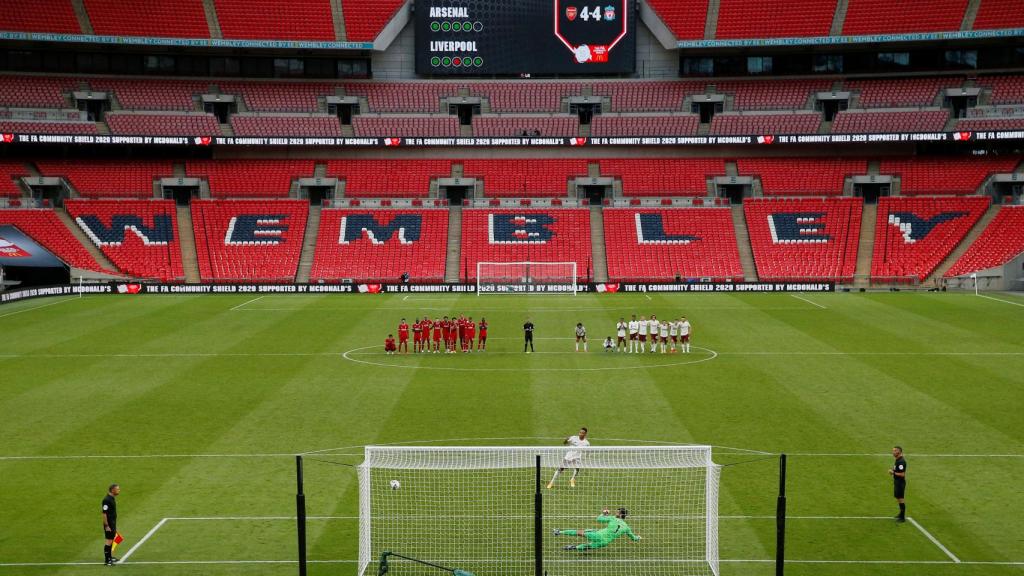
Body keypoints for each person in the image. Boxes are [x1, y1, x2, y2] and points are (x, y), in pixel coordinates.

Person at [555, 507, 641, 551]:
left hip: (598, 535)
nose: (616, 513)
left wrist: (604, 513)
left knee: (579, 532)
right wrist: (638, 537)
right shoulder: (626, 527)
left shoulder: (613, 518)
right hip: (604, 543)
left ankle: (559, 532)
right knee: (588, 546)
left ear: (620, 515)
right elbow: (633, 538)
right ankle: (574, 547)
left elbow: (598, 519)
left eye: (617, 512)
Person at [102, 484, 121, 565]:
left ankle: (110, 557)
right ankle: (107, 560)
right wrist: (106, 526)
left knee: (111, 540)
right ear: (112, 490)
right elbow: (104, 514)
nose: (119, 490)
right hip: (109, 524)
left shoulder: (111, 498)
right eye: (117, 489)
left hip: (112, 523)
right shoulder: (106, 500)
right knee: (108, 541)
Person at [890, 446, 907, 523]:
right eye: (893, 451)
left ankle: (902, 517)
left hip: (900, 483)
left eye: (895, 451)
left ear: (899, 452)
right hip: (897, 482)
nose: (893, 452)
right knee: (898, 498)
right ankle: (901, 514)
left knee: (901, 499)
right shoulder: (898, 460)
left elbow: (902, 474)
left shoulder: (901, 462)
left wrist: (893, 472)